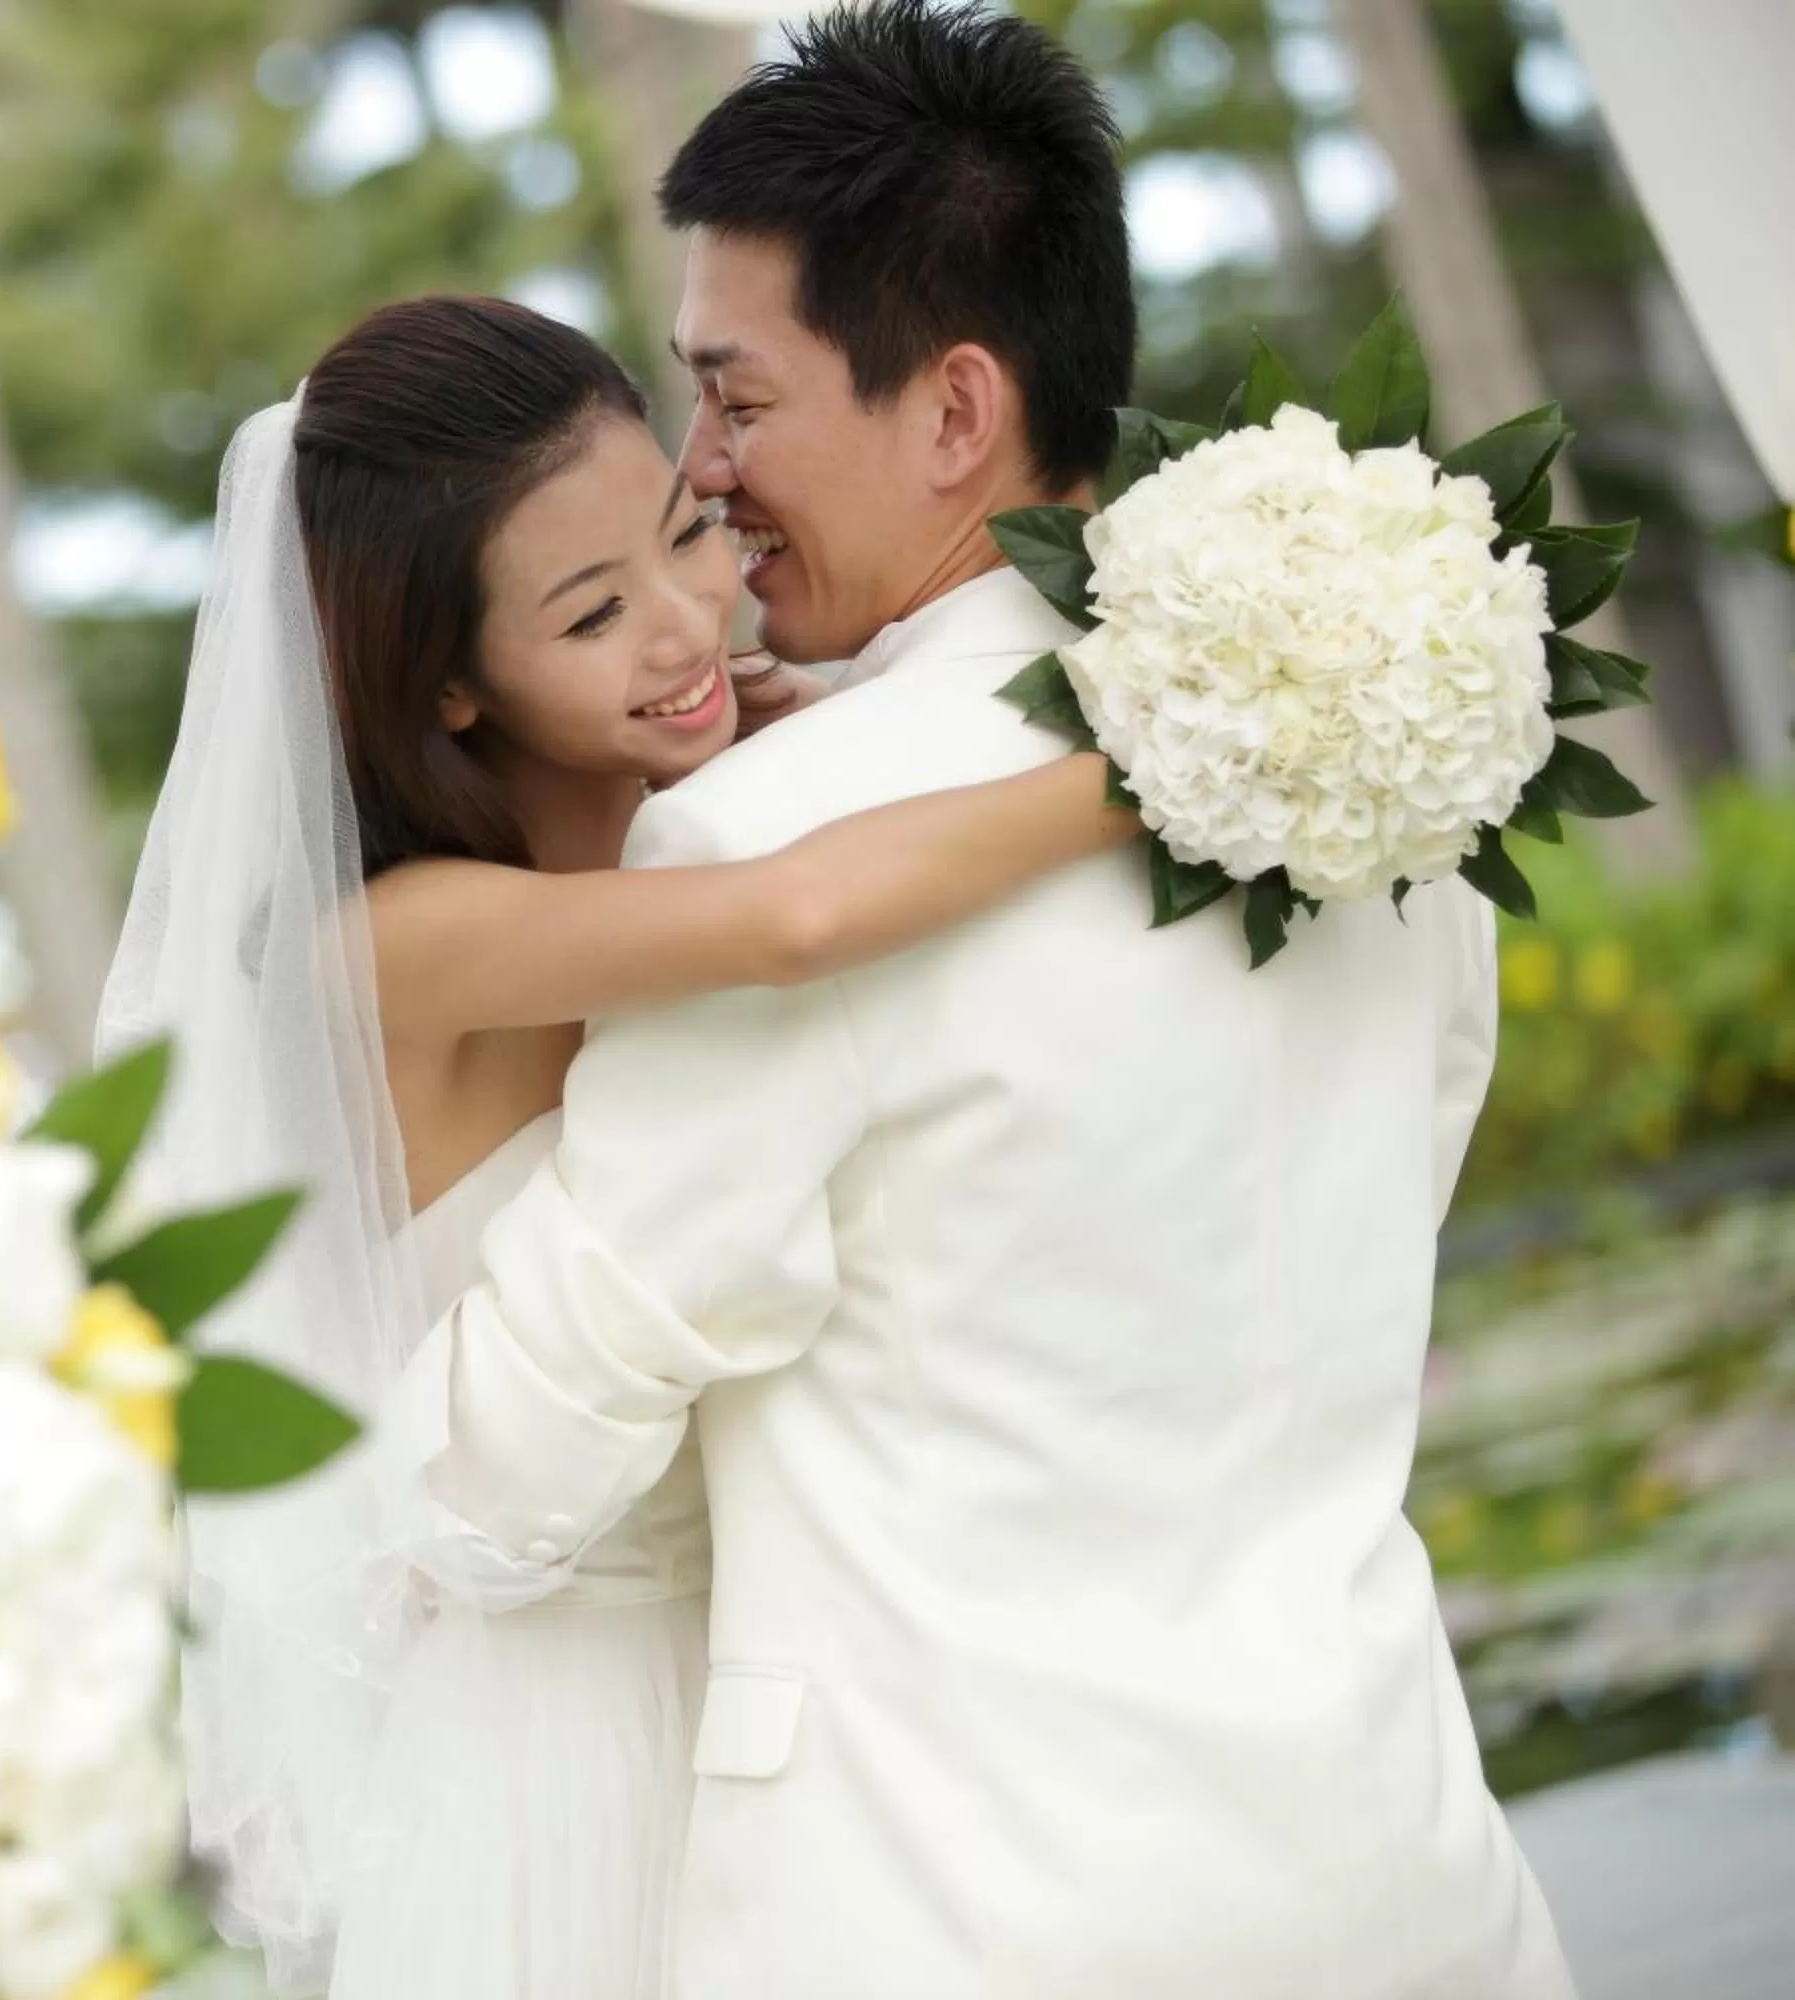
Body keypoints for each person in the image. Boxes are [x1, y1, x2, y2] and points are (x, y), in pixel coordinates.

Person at [385, 4, 1575, 1996]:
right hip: (1407, 1874)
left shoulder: (766, 834)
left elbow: (518, 1463)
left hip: (952, 1913)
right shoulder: (1396, 771)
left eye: (736, 400)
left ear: (952, 413)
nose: (703, 471)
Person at [96, 288, 1125, 2000]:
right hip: (568, 1742)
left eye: (687, 535)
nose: (684, 623)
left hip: (807, 1700)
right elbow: (795, 922)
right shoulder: (396, 943)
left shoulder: (699, 807)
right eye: (591, 613)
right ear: (446, 684)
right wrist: (1179, 763)